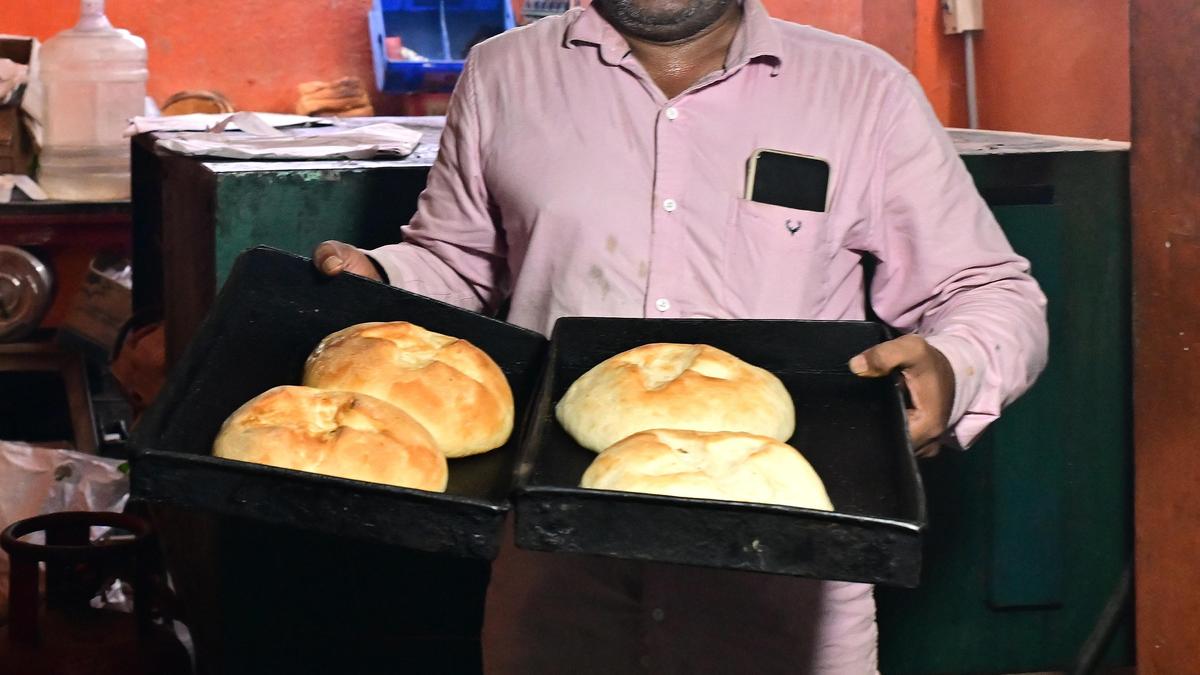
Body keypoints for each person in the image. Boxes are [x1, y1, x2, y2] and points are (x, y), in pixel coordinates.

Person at [313, 0, 1048, 670]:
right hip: (557, 573)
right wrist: (380, 274)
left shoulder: (862, 91)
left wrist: (954, 367)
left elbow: (987, 288)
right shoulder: (505, 72)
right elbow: (460, 258)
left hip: (783, 586)